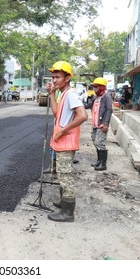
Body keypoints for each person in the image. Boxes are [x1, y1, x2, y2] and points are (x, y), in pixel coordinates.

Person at [46, 61, 88, 222]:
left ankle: (68, 212)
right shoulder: (63, 93)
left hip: (66, 143)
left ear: (68, 77)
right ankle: (64, 202)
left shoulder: (71, 94)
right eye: (53, 77)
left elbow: (83, 116)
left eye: (57, 77)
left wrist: (63, 130)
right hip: (61, 143)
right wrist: (52, 93)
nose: (54, 80)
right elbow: (57, 114)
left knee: (65, 176)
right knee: (62, 174)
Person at [84, 77, 113, 171]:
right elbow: (88, 106)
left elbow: (109, 110)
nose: (94, 89)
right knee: (95, 141)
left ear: (101, 87)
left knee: (100, 143)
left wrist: (106, 124)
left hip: (101, 124)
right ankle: (99, 160)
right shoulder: (96, 97)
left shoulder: (106, 97)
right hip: (95, 125)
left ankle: (103, 164)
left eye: (96, 87)